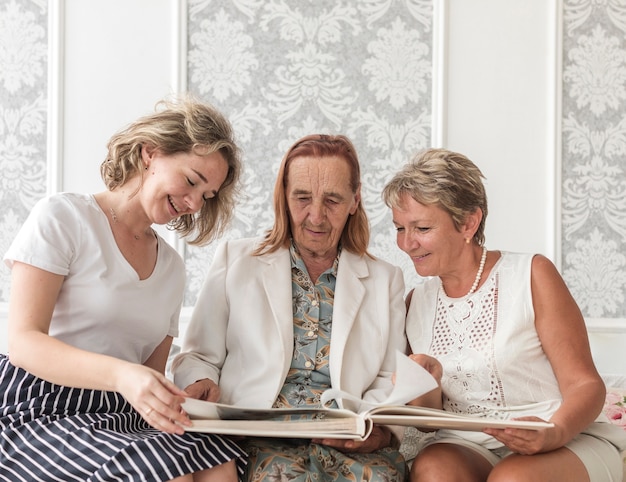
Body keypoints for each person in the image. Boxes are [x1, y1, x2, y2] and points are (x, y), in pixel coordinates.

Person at [0, 97, 248, 482]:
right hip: (41, 404)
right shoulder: (64, 218)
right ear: (150, 153)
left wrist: (182, 392)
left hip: (120, 412)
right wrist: (122, 377)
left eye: (206, 196)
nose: (194, 203)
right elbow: (24, 343)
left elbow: (150, 375)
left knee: (217, 460)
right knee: (166, 471)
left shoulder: (171, 268)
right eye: (192, 181)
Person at [172, 134, 409, 482]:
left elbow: (389, 376)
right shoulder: (236, 260)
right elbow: (197, 357)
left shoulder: (386, 279)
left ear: (354, 200)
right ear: (284, 197)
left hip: (346, 440)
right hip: (254, 437)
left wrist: (374, 429)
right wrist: (202, 381)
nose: (316, 216)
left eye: (332, 200)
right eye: (302, 198)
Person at [382, 147, 626, 482]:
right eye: (399, 228)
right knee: (433, 470)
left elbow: (586, 385)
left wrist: (552, 432)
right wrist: (424, 382)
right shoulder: (415, 302)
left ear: (468, 223)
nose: (407, 244)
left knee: (512, 478)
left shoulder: (532, 274)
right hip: (466, 443)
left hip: (561, 438)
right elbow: (429, 421)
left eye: (421, 228)